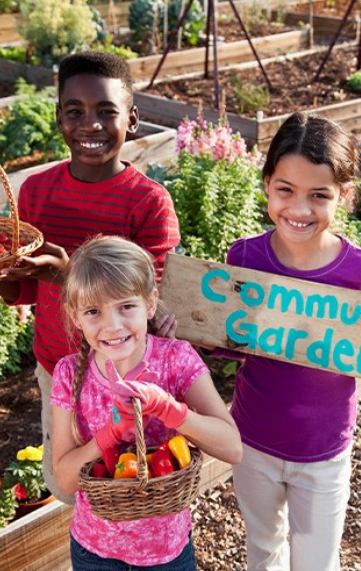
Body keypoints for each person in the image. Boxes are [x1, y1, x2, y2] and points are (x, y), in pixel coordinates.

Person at [0, 51, 180, 504]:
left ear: (133, 119)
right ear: (60, 117)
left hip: (125, 375)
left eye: (106, 111)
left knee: (129, 484)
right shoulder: (36, 191)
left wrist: (66, 276)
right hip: (55, 366)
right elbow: (21, 290)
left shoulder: (148, 202)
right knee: (70, 485)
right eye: (75, 111)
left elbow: (145, 299)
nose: (90, 125)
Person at [208, 111, 361, 571]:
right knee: (263, 549)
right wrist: (194, 330)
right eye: (285, 191)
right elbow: (230, 338)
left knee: (316, 562)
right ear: (267, 186)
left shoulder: (356, 272)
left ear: (345, 198)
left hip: (324, 450)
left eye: (319, 196)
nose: (299, 210)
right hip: (253, 439)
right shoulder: (246, 256)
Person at [50, 234, 243, 570]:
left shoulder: (175, 360)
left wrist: (170, 409)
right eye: (93, 311)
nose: (112, 325)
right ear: (75, 316)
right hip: (93, 552)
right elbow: (66, 479)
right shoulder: (68, 373)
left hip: (167, 553)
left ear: (150, 303)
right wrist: (110, 434)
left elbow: (232, 448)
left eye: (126, 306)